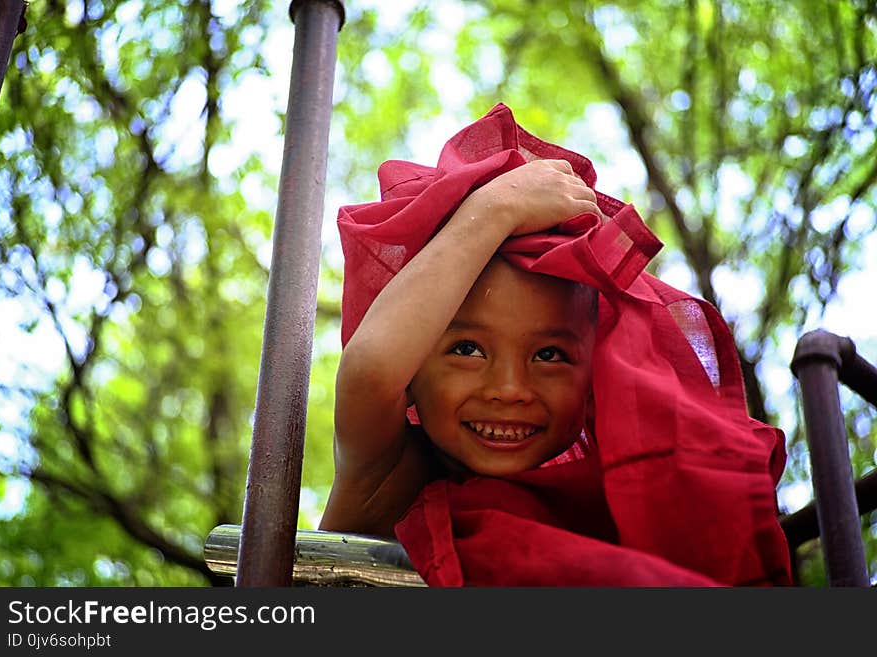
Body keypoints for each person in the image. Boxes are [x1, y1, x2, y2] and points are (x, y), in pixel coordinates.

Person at [320, 103, 793, 586]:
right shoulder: (388, 470)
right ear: (413, 364)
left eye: (549, 355)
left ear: (595, 380)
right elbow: (371, 370)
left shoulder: (612, 496)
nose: (509, 388)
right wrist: (495, 210)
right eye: (467, 350)